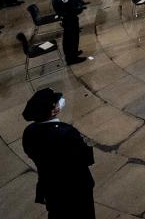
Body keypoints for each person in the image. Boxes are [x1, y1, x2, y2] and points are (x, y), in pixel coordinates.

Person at [21, 88, 95, 219]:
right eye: (56, 103)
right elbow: (85, 158)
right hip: (76, 188)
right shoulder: (66, 133)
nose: (59, 103)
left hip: (52, 188)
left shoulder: (29, 131)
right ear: (53, 110)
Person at [51, 0, 86, 64]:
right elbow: (69, 8)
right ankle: (71, 58)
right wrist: (78, 9)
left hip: (70, 18)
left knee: (74, 36)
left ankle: (74, 52)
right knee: (70, 38)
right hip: (69, 19)